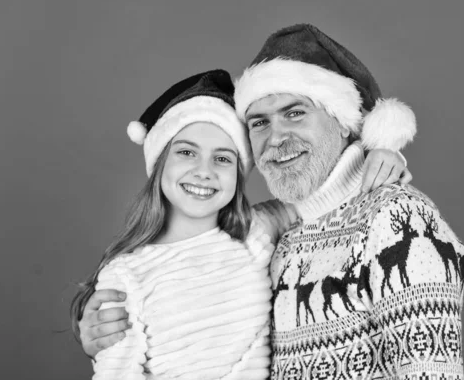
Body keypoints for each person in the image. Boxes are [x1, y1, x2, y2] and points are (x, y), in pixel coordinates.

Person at [71, 67, 412, 379]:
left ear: (238, 174)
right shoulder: (127, 274)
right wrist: (94, 339)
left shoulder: (255, 234)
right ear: (160, 163)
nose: (203, 171)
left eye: (222, 158)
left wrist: (379, 154)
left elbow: (329, 190)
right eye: (186, 152)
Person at [233, 24, 464, 378]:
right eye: (259, 123)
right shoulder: (284, 238)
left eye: (295, 113)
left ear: (344, 123)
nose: (276, 137)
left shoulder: (398, 219)